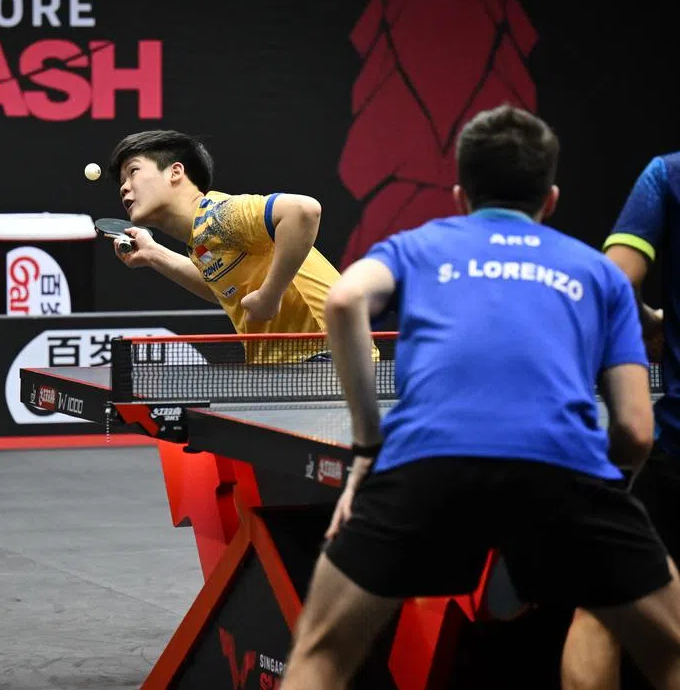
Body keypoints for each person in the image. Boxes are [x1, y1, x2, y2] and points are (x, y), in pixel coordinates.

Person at [277, 104, 680, 689]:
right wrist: (602, 500)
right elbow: (637, 432)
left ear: (461, 195)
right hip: (563, 473)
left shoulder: (416, 247)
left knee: (321, 655)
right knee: (669, 651)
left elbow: (341, 302)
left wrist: (368, 447)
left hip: (424, 467)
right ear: (551, 200)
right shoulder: (599, 276)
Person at [561, 151, 680, 689]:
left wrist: (652, 321)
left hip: (678, 451)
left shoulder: (669, 175)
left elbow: (614, 281)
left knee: (603, 611)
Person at [109, 130, 339, 360]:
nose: (124, 188)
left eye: (133, 172)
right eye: (122, 182)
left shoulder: (219, 216)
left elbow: (303, 211)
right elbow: (219, 290)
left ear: (175, 172)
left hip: (325, 358)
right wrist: (153, 254)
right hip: (286, 366)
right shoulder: (200, 238)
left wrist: (270, 295)